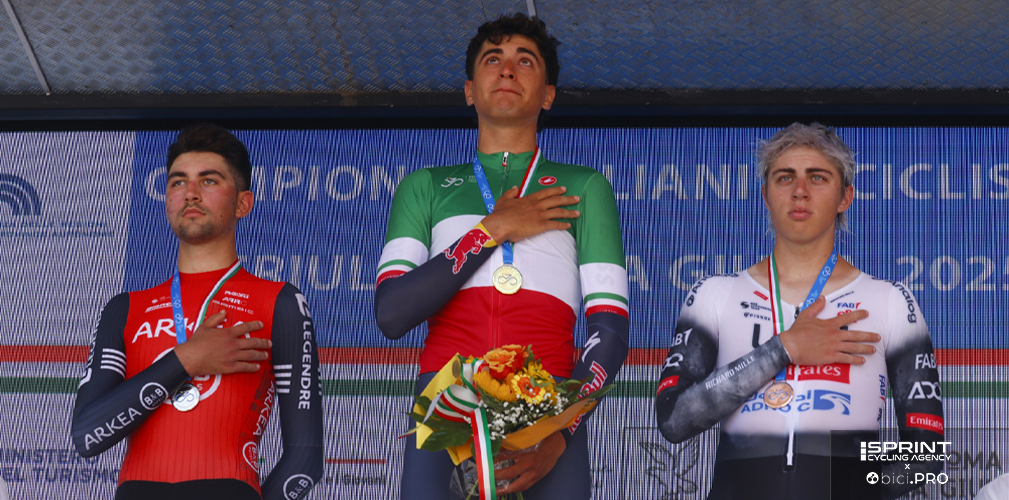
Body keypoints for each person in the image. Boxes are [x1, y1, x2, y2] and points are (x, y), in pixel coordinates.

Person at [375, 12, 629, 499]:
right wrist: (492, 230)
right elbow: (392, 313)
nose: (508, 69)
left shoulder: (584, 187)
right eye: (493, 59)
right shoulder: (424, 187)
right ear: (469, 91)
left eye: (525, 60)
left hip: (549, 416)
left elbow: (611, 333)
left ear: (548, 95)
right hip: (445, 409)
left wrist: (559, 434)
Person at [655, 123, 945, 499]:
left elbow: (926, 454)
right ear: (765, 194)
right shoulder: (715, 293)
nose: (800, 191)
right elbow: (673, 419)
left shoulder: (889, 299)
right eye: (785, 177)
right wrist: (783, 349)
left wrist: (850, 479)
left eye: (818, 177)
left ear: (845, 197)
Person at [71, 124, 323, 500]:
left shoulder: (280, 301)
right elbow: (88, 436)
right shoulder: (125, 308)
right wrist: (186, 360)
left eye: (208, 181)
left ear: (242, 204)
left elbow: (306, 459)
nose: (190, 192)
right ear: (167, 202)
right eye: (178, 182)